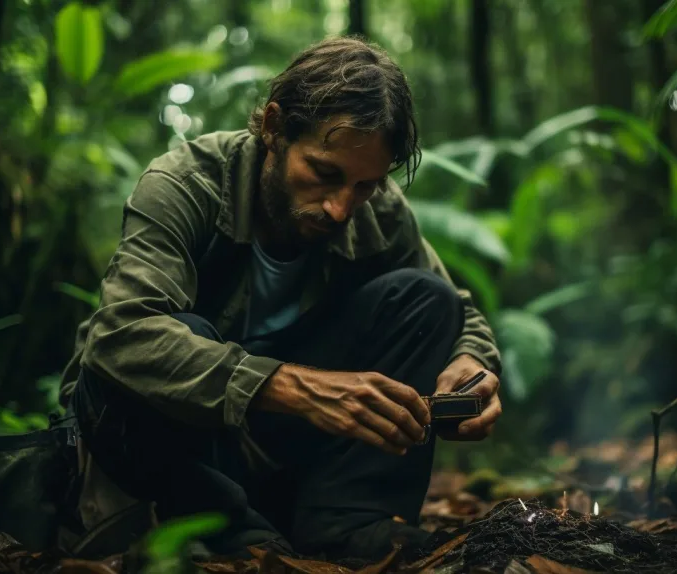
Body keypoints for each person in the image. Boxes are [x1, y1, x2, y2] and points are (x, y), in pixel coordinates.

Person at [58, 36, 503, 562]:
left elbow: (458, 307)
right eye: (323, 172)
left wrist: (473, 362)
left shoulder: (377, 209)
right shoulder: (186, 184)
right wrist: (289, 386)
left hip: (274, 454)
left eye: (365, 186)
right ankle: (224, 532)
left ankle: (343, 523)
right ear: (273, 127)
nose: (341, 208)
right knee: (179, 336)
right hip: (174, 458)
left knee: (425, 299)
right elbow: (119, 338)